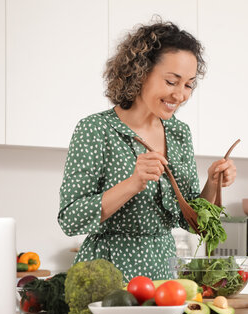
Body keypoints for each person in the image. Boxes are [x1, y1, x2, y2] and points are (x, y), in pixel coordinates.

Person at [58, 19, 237, 281]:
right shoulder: (96, 129)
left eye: (188, 84)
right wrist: (133, 183)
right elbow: (70, 219)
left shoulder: (179, 133)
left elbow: (192, 222)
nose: (180, 95)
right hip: (105, 277)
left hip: (165, 277)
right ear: (140, 73)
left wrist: (212, 183)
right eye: (171, 81)